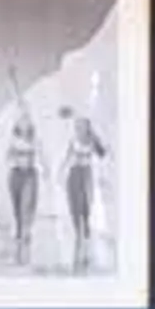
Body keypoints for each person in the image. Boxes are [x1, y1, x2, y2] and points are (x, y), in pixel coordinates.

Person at [63, 111, 106, 267]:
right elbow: (67, 157)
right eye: (77, 126)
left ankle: (86, 227)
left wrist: (96, 141)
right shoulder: (73, 140)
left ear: (87, 127)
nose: (79, 128)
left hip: (86, 173)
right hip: (74, 173)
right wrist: (61, 173)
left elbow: (102, 154)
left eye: (82, 125)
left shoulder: (92, 140)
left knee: (86, 203)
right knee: (74, 203)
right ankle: (77, 231)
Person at [4, 109, 43, 273]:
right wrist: (13, 156)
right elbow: (7, 157)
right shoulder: (13, 140)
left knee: (27, 205)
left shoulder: (35, 141)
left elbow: (42, 155)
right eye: (22, 122)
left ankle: (26, 232)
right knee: (16, 206)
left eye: (27, 122)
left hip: (30, 174)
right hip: (15, 174)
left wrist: (46, 169)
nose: (25, 125)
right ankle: (20, 230)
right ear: (18, 126)